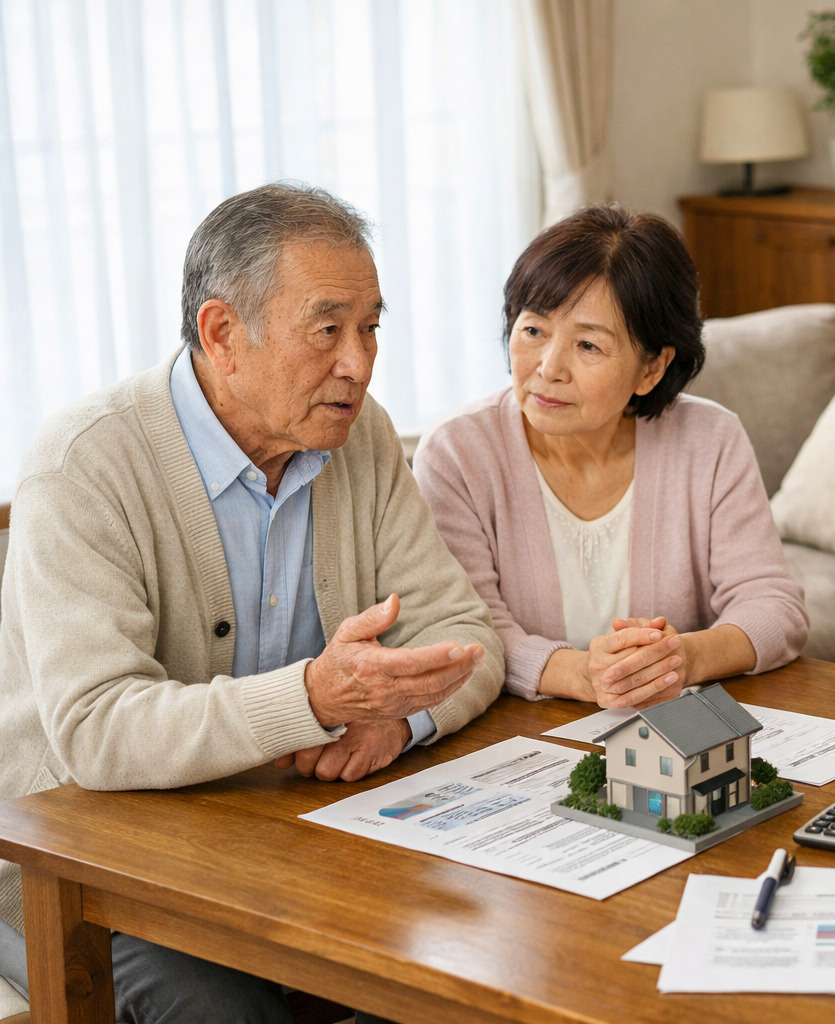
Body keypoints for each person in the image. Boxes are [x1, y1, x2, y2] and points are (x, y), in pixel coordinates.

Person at [0, 182, 504, 1024]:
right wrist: (312, 699)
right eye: (328, 329)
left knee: (451, 982)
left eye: (372, 327)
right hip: (76, 864)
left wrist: (396, 722)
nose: (360, 363)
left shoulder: (360, 435)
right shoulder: (85, 463)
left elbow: (463, 636)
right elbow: (95, 729)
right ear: (222, 334)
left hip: (278, 843)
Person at [414, 205, 808, 710]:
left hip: (672, 730)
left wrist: (681, 658)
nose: (549, 368)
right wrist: (582, 674)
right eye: (533, 330)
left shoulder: (710, 438)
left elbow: (775, 606)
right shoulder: (457, 453)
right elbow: (463, 628)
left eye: (588, 345)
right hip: (514, 732)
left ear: (652, 367)